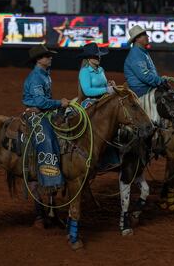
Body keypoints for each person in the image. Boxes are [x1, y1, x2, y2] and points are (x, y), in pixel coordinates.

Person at [22, 44, 70, 228]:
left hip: (44, 112)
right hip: (36, 113)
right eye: (46, 56)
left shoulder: (44, 74)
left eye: (49, 56)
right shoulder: (36, 77)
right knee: (47, 140)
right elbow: (41, 101)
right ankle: (49, 178)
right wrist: (60, 103)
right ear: (38, 60)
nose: (50, 58)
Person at [124, 25, 166, 98]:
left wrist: (159, 80)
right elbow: (145, 76)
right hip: (140, 90)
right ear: (137, 38)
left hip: (144, 87)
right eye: (144, 35)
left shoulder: (141, 52)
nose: (148, 36)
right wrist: (160, 81)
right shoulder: (136, 54)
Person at [77, 42, 115, 107]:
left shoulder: (101, 69)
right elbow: (87, 91)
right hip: (90, 102)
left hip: (102, 99)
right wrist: (106, 89)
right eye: (96, 56)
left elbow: (102, 86)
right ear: (88, 58)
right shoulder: (85, 71)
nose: (99, 57)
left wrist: (108, 85)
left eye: (99, 55)